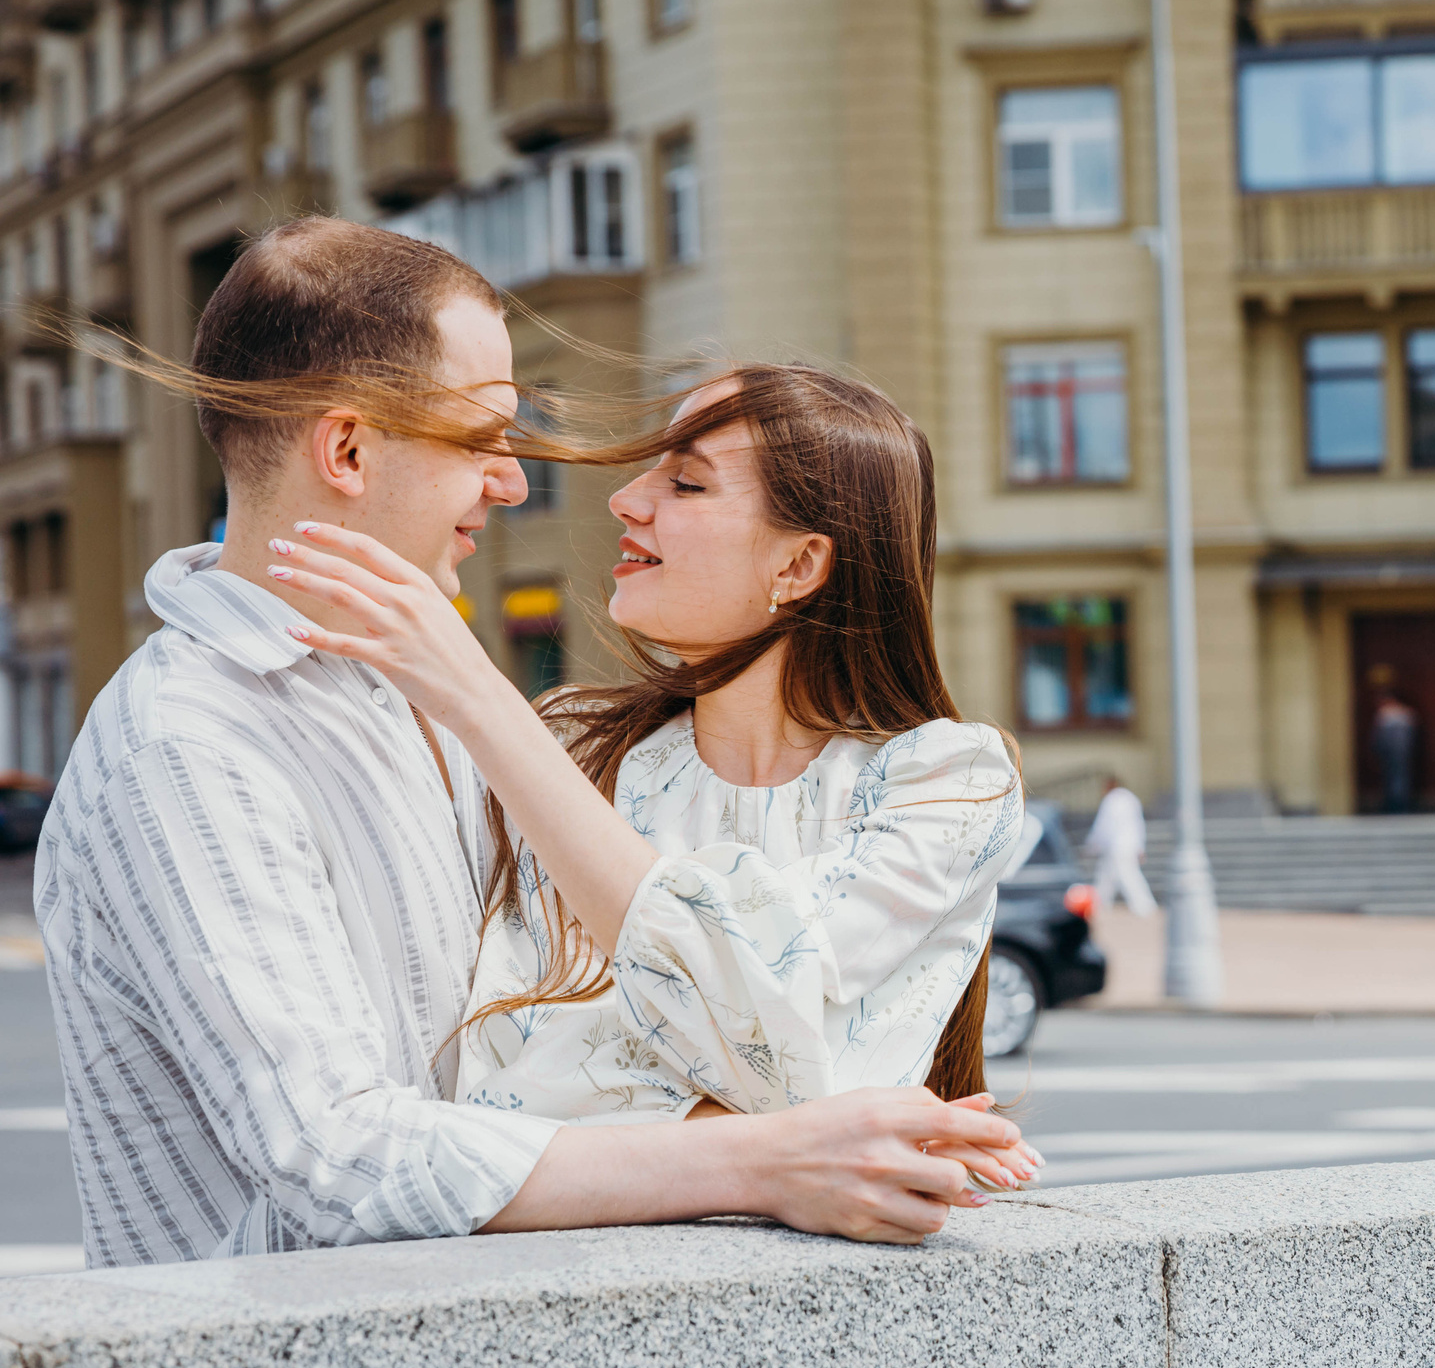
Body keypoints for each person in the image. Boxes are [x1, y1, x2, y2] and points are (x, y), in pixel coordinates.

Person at [36, 218, 1028, 1268]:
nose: (514, 484)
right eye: (481, 437)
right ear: (348, 448)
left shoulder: (417, 698)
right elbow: (336, 1158)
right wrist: (764, 1159)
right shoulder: (187, 742)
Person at [271, 366, 1026, 1126]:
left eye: (687, 484)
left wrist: (480, 695)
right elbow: (492, 1087)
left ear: (798, 564)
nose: (626, 500)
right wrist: (744, 1115)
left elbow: (798, 1074)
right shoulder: (571, 743)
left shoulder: (950, 783)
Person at [1084, 777, 1155, 916]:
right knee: (1106, 877)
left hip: (1115, 846)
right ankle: (1098, 905)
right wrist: (1140, 847)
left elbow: (1103, 825)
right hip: (1129, 845)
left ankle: (1144, 906)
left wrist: (1091, 845)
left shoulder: (1111, 800)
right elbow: (1138, 825)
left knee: (1127, 877)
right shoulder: (1131, 799)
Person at [1371, 689, 1419, 815]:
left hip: (1394, 753)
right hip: (1400, 753)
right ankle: (1399, 804)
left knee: (1396, 779)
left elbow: (1379, 737)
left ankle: (1396, 805)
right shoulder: (1406, 713)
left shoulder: (1385, 714)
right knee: (1398, 778)